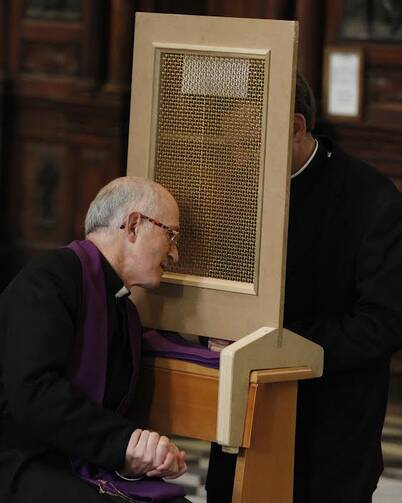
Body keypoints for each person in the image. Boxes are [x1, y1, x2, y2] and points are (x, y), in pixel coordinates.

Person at [205, 74, 402, 503]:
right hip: (247, 415)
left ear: (295, 127)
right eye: (232, 145)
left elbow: (383, 325)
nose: (239, 159)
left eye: (247, 143)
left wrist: (279, 345)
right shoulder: (242, 187)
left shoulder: (373, 201)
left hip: (331, 424)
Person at [0, 177, 191, 502]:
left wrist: (136, 458)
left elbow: (111, 418)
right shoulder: (49, 278)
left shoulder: (125, 312)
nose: (174, 253)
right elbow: (32, 393)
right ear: (133, 226)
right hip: (19, 459)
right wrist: (123, 444)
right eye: (170, 234)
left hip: (76, 465)